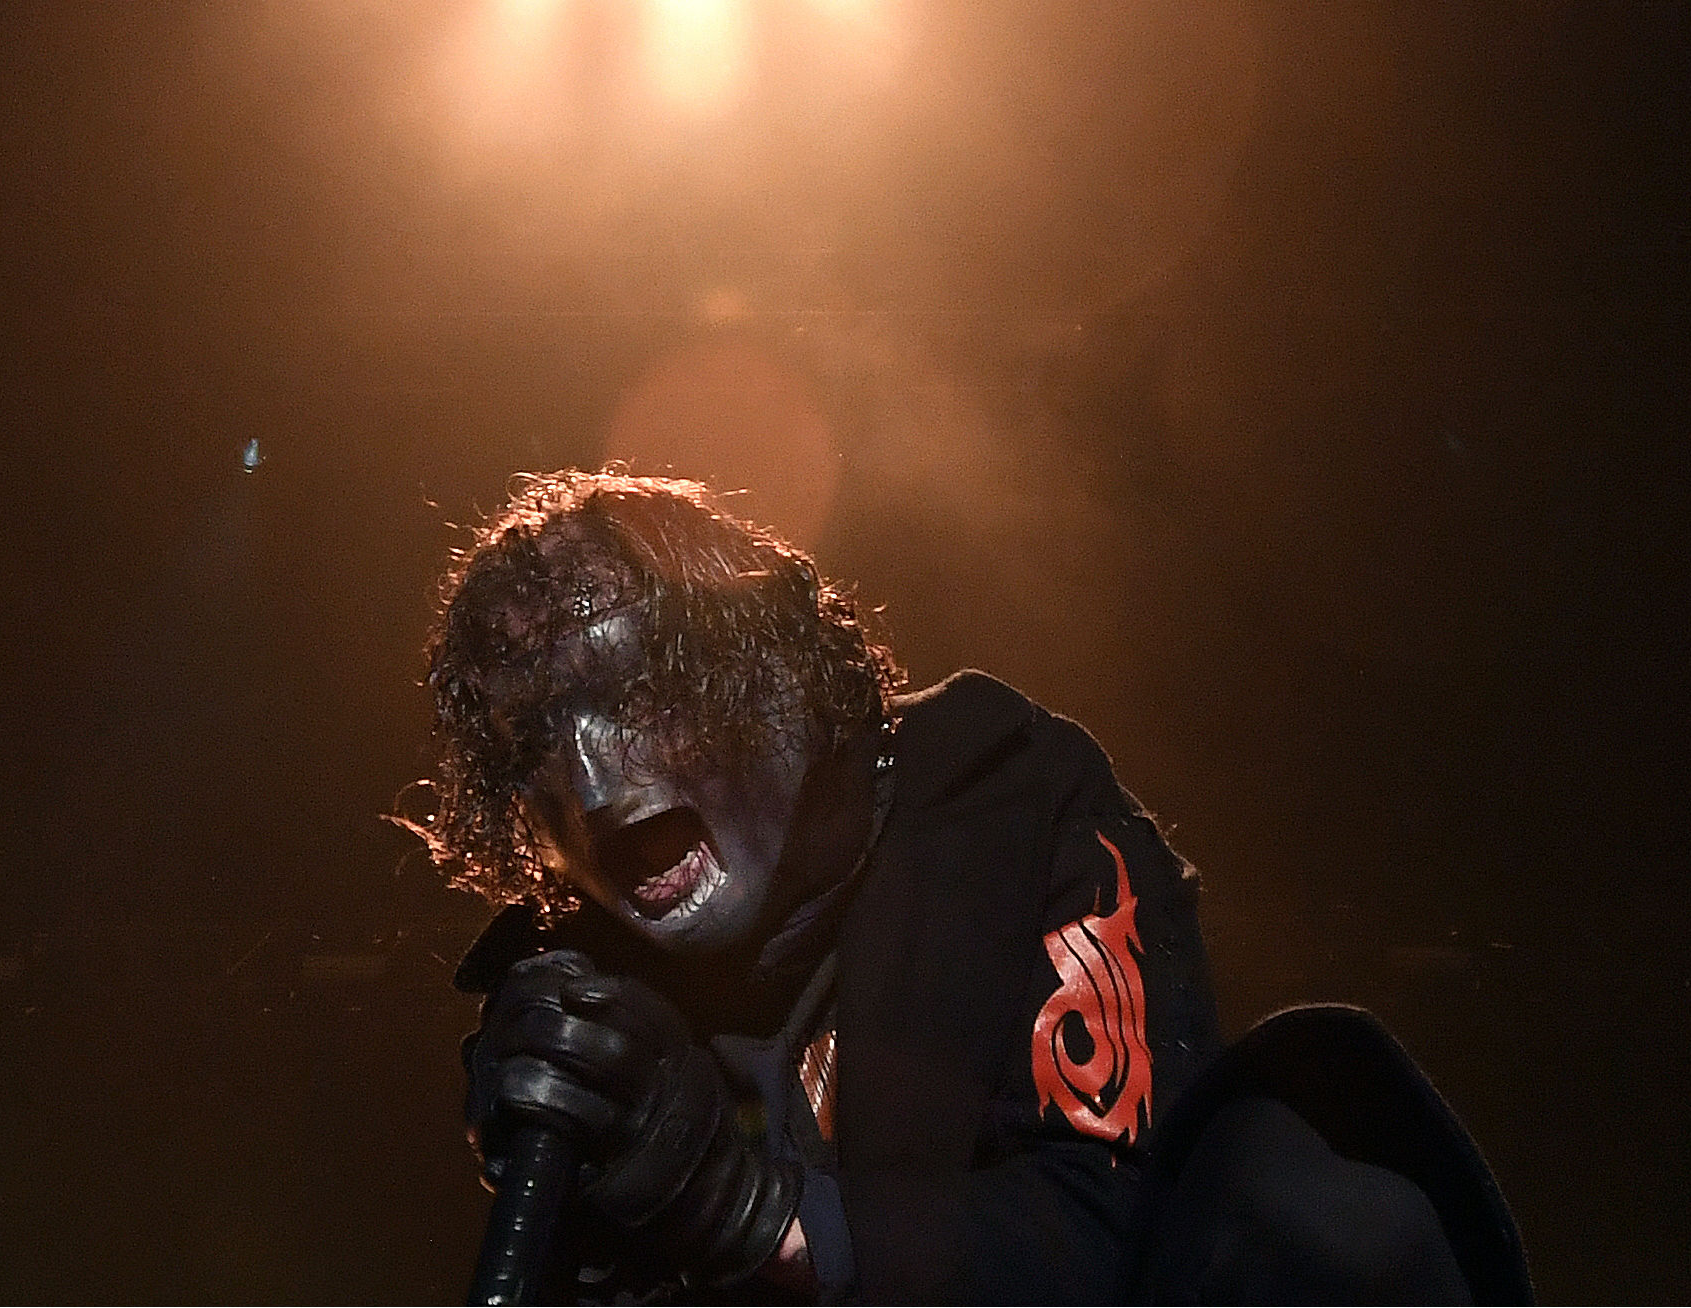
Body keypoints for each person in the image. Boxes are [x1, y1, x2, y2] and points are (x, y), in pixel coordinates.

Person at [400, 470, 1527, 1303]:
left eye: (637, 690)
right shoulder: (573, 979)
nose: (591, 783)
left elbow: (1105, 1227)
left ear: (771, 670)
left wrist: (757, 1217)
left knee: (1299, 1189)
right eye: (536, 736)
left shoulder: (1010, 805)